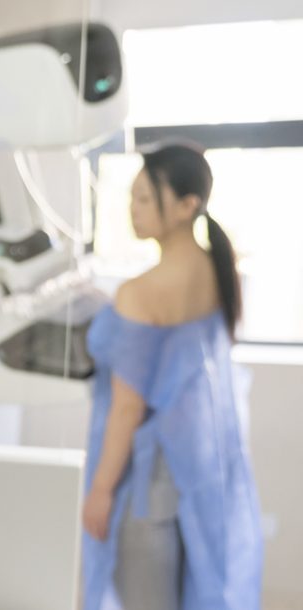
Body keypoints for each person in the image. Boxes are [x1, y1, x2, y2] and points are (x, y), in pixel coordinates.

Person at [80, 143, 262, 609]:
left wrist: (100, 490)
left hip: (146, 482)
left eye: (145, 199)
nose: (133, 210)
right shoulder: (221, 270)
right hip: (201, 469)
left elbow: (127, 407)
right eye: (132, 197)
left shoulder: (142, 292)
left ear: (187, 206)